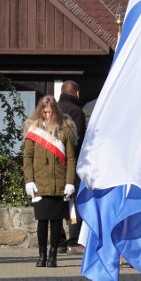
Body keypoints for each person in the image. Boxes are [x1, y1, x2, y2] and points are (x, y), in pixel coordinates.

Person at [23, 95, 77, 268]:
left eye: (49, 112)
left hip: (59, 183)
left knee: (56, 222)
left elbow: (70, 158)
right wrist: (29, 180)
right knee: (42, 220)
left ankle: (53, 256)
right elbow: (27, 157)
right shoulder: (33, 130)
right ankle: (41, 255)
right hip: (39, 183)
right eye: (44, 112)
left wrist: (70, 181)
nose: (46, 115)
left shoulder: (65, 130)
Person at [56, 80, 86, 253]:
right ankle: (74, 240)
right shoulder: (76, 111)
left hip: (54, 163)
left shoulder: (52, 109)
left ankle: (59, 242)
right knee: (73, 202)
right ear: (77, 94)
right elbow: (79, 139)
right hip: (72, 163)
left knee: (56, 201)